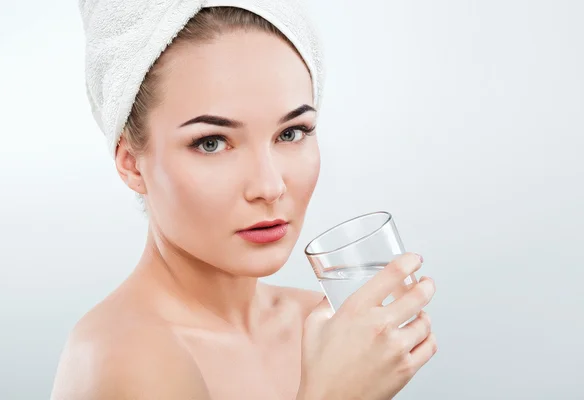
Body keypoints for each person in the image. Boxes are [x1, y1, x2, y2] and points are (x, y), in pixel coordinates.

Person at [51, 3, 437, 399]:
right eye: (212, 143)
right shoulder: (124, 359)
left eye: (291, 133)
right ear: (132, 163)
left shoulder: (323, 328)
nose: (269, 187)